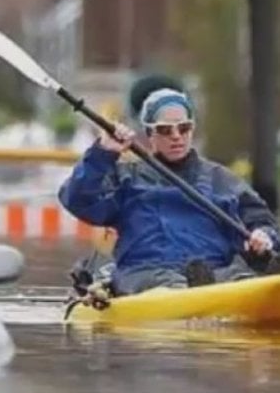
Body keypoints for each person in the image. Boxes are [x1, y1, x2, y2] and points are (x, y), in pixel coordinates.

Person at [59, 87, 280, 296]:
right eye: (165, 130)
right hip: (146, 274)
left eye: (184, 128)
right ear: (149, 134)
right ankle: (192, 291)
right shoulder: (125, 178)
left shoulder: (222, 180)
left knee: (237, 276)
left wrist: (264, 237)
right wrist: (102, 153)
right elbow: (76, 200)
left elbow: (261, 221)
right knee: (166, 283)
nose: (176, 136)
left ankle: (207, 288)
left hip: (215, 276)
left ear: (192, 129)